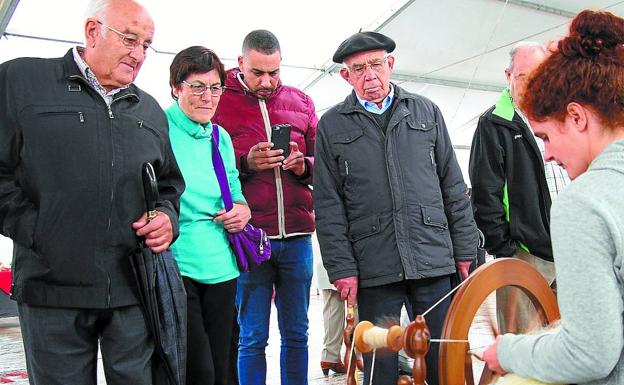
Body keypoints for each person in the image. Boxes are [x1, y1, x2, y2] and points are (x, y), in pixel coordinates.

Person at [0, 0, 185, 384]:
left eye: (146, 45)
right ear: (91, 32)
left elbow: (169, 184)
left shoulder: (149, 110)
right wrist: (37, 229)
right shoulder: (21, 82)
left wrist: (167, 216)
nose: (139, 54)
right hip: (52, 288)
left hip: (133, 288)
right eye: (129, 39)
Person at [314, 31, 478, 385]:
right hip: (375, 267)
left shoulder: (426, 111)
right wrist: (341, 267)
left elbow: (453, 184)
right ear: (346, 75)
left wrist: (465, 249)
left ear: (390, 64)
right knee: (380, 366)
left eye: (376, 64)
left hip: (433, 260)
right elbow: (328, 204)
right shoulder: (332, 124)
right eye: (358, 69)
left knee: (443, 359)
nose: (369, 75)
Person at [482, 9, 624, 385]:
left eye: (545, 136)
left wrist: (507, 351)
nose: (546, 154)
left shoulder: (582, 203)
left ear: (577, 117)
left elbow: (590, 353)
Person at [212, 29, 317, 385]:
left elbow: (324, 163)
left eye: (273, 72)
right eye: (258, 72)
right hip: (250, 239)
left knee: (298, 334)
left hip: (299, 238)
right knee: (252, 337)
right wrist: (246, 163)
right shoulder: (218, 100)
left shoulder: (302, 102)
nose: (267, 81)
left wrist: (304, 166)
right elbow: (209, 164)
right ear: (241, 63)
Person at [469, 42, 570, 332]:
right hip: (524, 253)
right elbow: (484, 192)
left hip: (567, 247)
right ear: (508, 75)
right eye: (524, 76)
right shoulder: (494, 124)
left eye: (540, 75)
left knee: (571, 342)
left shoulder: (561, 115)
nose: (533, 84)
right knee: (523, 342)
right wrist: (507, 249)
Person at [166, 46, 250, 385]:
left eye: (215, 88)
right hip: (177, 264)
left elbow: (233, 186)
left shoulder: (220, 136)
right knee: (197, 371)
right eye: (197, 86)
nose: (208, 96)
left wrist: (242, 209)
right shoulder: (157, 128)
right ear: (176, 87)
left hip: (222, 264)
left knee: (225, 368)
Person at [315, 260, 347, 375]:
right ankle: (358, 356)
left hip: (326, 259)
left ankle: (330, 357)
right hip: (349, 259)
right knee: (356, 303)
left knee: (331, 307)